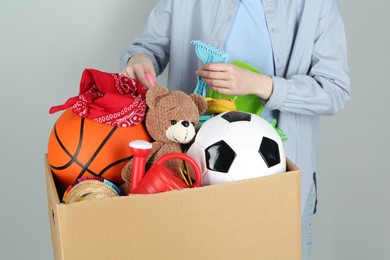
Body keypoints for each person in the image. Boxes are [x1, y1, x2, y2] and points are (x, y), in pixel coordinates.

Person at [120, 0, 350, 258]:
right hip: (194, 175)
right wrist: (139, 58)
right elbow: (147, 48)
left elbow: (334, 90)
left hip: (280, 179)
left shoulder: (317, 5)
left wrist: (261, 85)